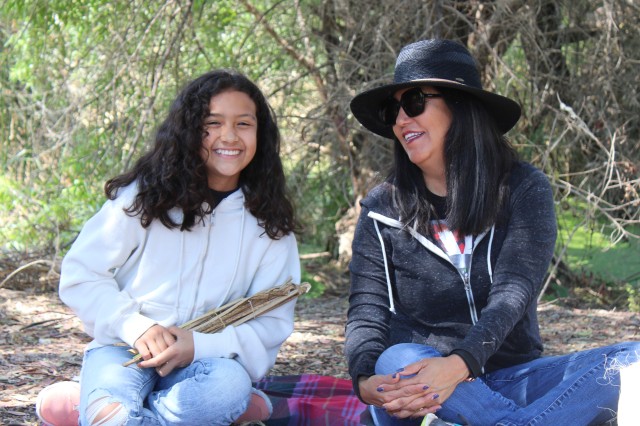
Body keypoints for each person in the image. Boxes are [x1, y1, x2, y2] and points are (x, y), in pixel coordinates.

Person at [345, 38, 640, 426]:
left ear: (460, 106)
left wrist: (461, 363)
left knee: (632, 361)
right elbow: (366, 313)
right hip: (422, 389)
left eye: (414, 101)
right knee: (398, 357)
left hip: (513, 379)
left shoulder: (521, 189)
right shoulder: (382, 210)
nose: (401, 120)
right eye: (392, 109)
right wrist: (367, 382)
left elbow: (512, 295)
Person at [35, 69, 301, 425]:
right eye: (212, 123)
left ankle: (95, 407)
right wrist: (135, 326)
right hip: (123, 351)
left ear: (260, 134)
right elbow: (81, 274)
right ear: (190, 130)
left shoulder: (269, 225)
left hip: (207, 363)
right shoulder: (145, 198)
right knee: (122, 403)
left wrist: (200, 345)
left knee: (225, 389)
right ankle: (113, 405)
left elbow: (271, 322)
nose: (229, 136)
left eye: (243, 124)